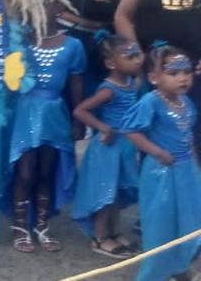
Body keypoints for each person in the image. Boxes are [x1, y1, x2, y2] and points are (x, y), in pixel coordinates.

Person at [115, 0, 201, 153]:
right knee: (153, 142)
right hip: (155, 72)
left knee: (195, 142)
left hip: (197, 72)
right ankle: (158, 192)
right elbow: (123, 15)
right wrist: (139, 56)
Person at [7, 0, 86, 254]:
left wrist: (78, 117)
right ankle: (20, 226)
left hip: (54, 115)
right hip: (24, 113)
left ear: (60, 9)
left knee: (45, 172)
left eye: (47, 3)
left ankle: (42, 226)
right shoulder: (17, 41)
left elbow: (75, 83)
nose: (39, 8)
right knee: (25, 171)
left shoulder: (73, 45)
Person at [119, 45, 200, 281]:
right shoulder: (150, 102)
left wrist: (195, 164)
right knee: (160, 224)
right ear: (154, 78)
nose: (182, 78)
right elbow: (130, 130)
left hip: (186, 171)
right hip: (161, 173)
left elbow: (189, 136)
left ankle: (179, 267)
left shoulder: (186, 102)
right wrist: (157, 152)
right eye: (173, 73)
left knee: (189, 222)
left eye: (186, 72)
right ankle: (154, 274)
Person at [71, 33, 143, 259]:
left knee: (117, 193)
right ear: (111, 63)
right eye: (129, 56)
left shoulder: (132, 82)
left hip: (124, 146)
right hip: (108, 147)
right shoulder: (109, 88)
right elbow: (80, 110)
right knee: (105, 192)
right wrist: (103, 127)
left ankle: (114, 232)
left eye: (137, 54)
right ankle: (100, 237)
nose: (136, 60)